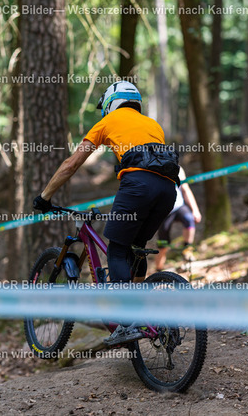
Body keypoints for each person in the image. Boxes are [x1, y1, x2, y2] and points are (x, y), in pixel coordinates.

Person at [32, 81, 183, 346]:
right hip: (168, 189)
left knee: (116, 249)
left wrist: (45, 197)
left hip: (138, 186)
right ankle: (143, 315)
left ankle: (125, 322)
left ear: (111, 103)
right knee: (137, 248)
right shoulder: (153, 125)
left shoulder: (108, 122)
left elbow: (71, 164)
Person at [154, 168, 202, 270]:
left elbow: (185, 189)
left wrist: (195, 210)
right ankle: (159, 270)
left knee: (189, 219)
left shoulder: (178, 169)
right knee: (163, 245)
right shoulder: (152, 170)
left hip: (178, 206)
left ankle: (187, 250)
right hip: (163, 213)